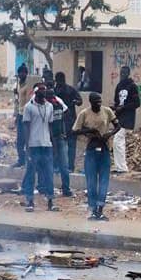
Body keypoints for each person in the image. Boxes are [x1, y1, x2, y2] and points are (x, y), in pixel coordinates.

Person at [71, 93, 120, 221]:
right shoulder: (84, 113)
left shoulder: (107, 111)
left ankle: (100, 210)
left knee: (104, 182)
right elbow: (75, 130)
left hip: (104, 148)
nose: (99, 104)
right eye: (96, 102)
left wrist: (109, 134)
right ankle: (93, 210)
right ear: (91, 102)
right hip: (91, 149)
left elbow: (118, 126)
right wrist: (90, 131)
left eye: (100, 101)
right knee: (91, 182)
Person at [21, 87, 58, 212]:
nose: (43, 98)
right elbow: (26, 127)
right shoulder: (28, 107)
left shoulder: (49, 106)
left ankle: (50, 201)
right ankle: (30, 201)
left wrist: (54, 143)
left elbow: (50, 125)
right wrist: (27, 147)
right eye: (41, 96)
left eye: (44, 96)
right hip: (33, 145)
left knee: (49, 174)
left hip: (47, 145)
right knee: (31, 174)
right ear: (36, 95)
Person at [112, 66, 140, 174]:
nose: (122, 74)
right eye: (121, 73)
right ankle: (120, 166)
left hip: (127, 117)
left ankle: (122, 167)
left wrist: (123, 107)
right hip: (119, 116)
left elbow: (137, 103)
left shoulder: (132, 86)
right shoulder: (119, 86)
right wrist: (115, 108)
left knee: (118, 140)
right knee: (118, 141)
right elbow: (116, 101)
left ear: (128, 73)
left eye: (124, 73)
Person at [54, 72, 82, 172]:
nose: (60, 82)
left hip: (69, 120)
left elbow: (80, 101)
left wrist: (74, 102)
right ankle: (58, 166)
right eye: (58, 80)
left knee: (71, 144)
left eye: (61, 80)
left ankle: (70, 166)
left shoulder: (70, 90)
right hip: (58, 120)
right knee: (57, 144)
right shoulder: (54, 91)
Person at [46, 88, 72, 197]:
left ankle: (48, 189)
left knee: (49, 165)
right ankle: (66, 189)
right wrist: (64, 130)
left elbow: (48, 124)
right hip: (60, 136)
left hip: (50, 138)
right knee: (63, 165)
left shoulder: (47, 106)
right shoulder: (59, 104)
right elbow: (67, 113)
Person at [13, 64, 30, 167]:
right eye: (19, 72)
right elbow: (17, 100)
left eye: (23, 72)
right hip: (20, 114)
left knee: (27, 139)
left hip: (27, 115)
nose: (20, 74)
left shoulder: (28, 85)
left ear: (26, 74)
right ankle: (21, 160)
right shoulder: (18, 84)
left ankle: (28, 161)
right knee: (19, 140)